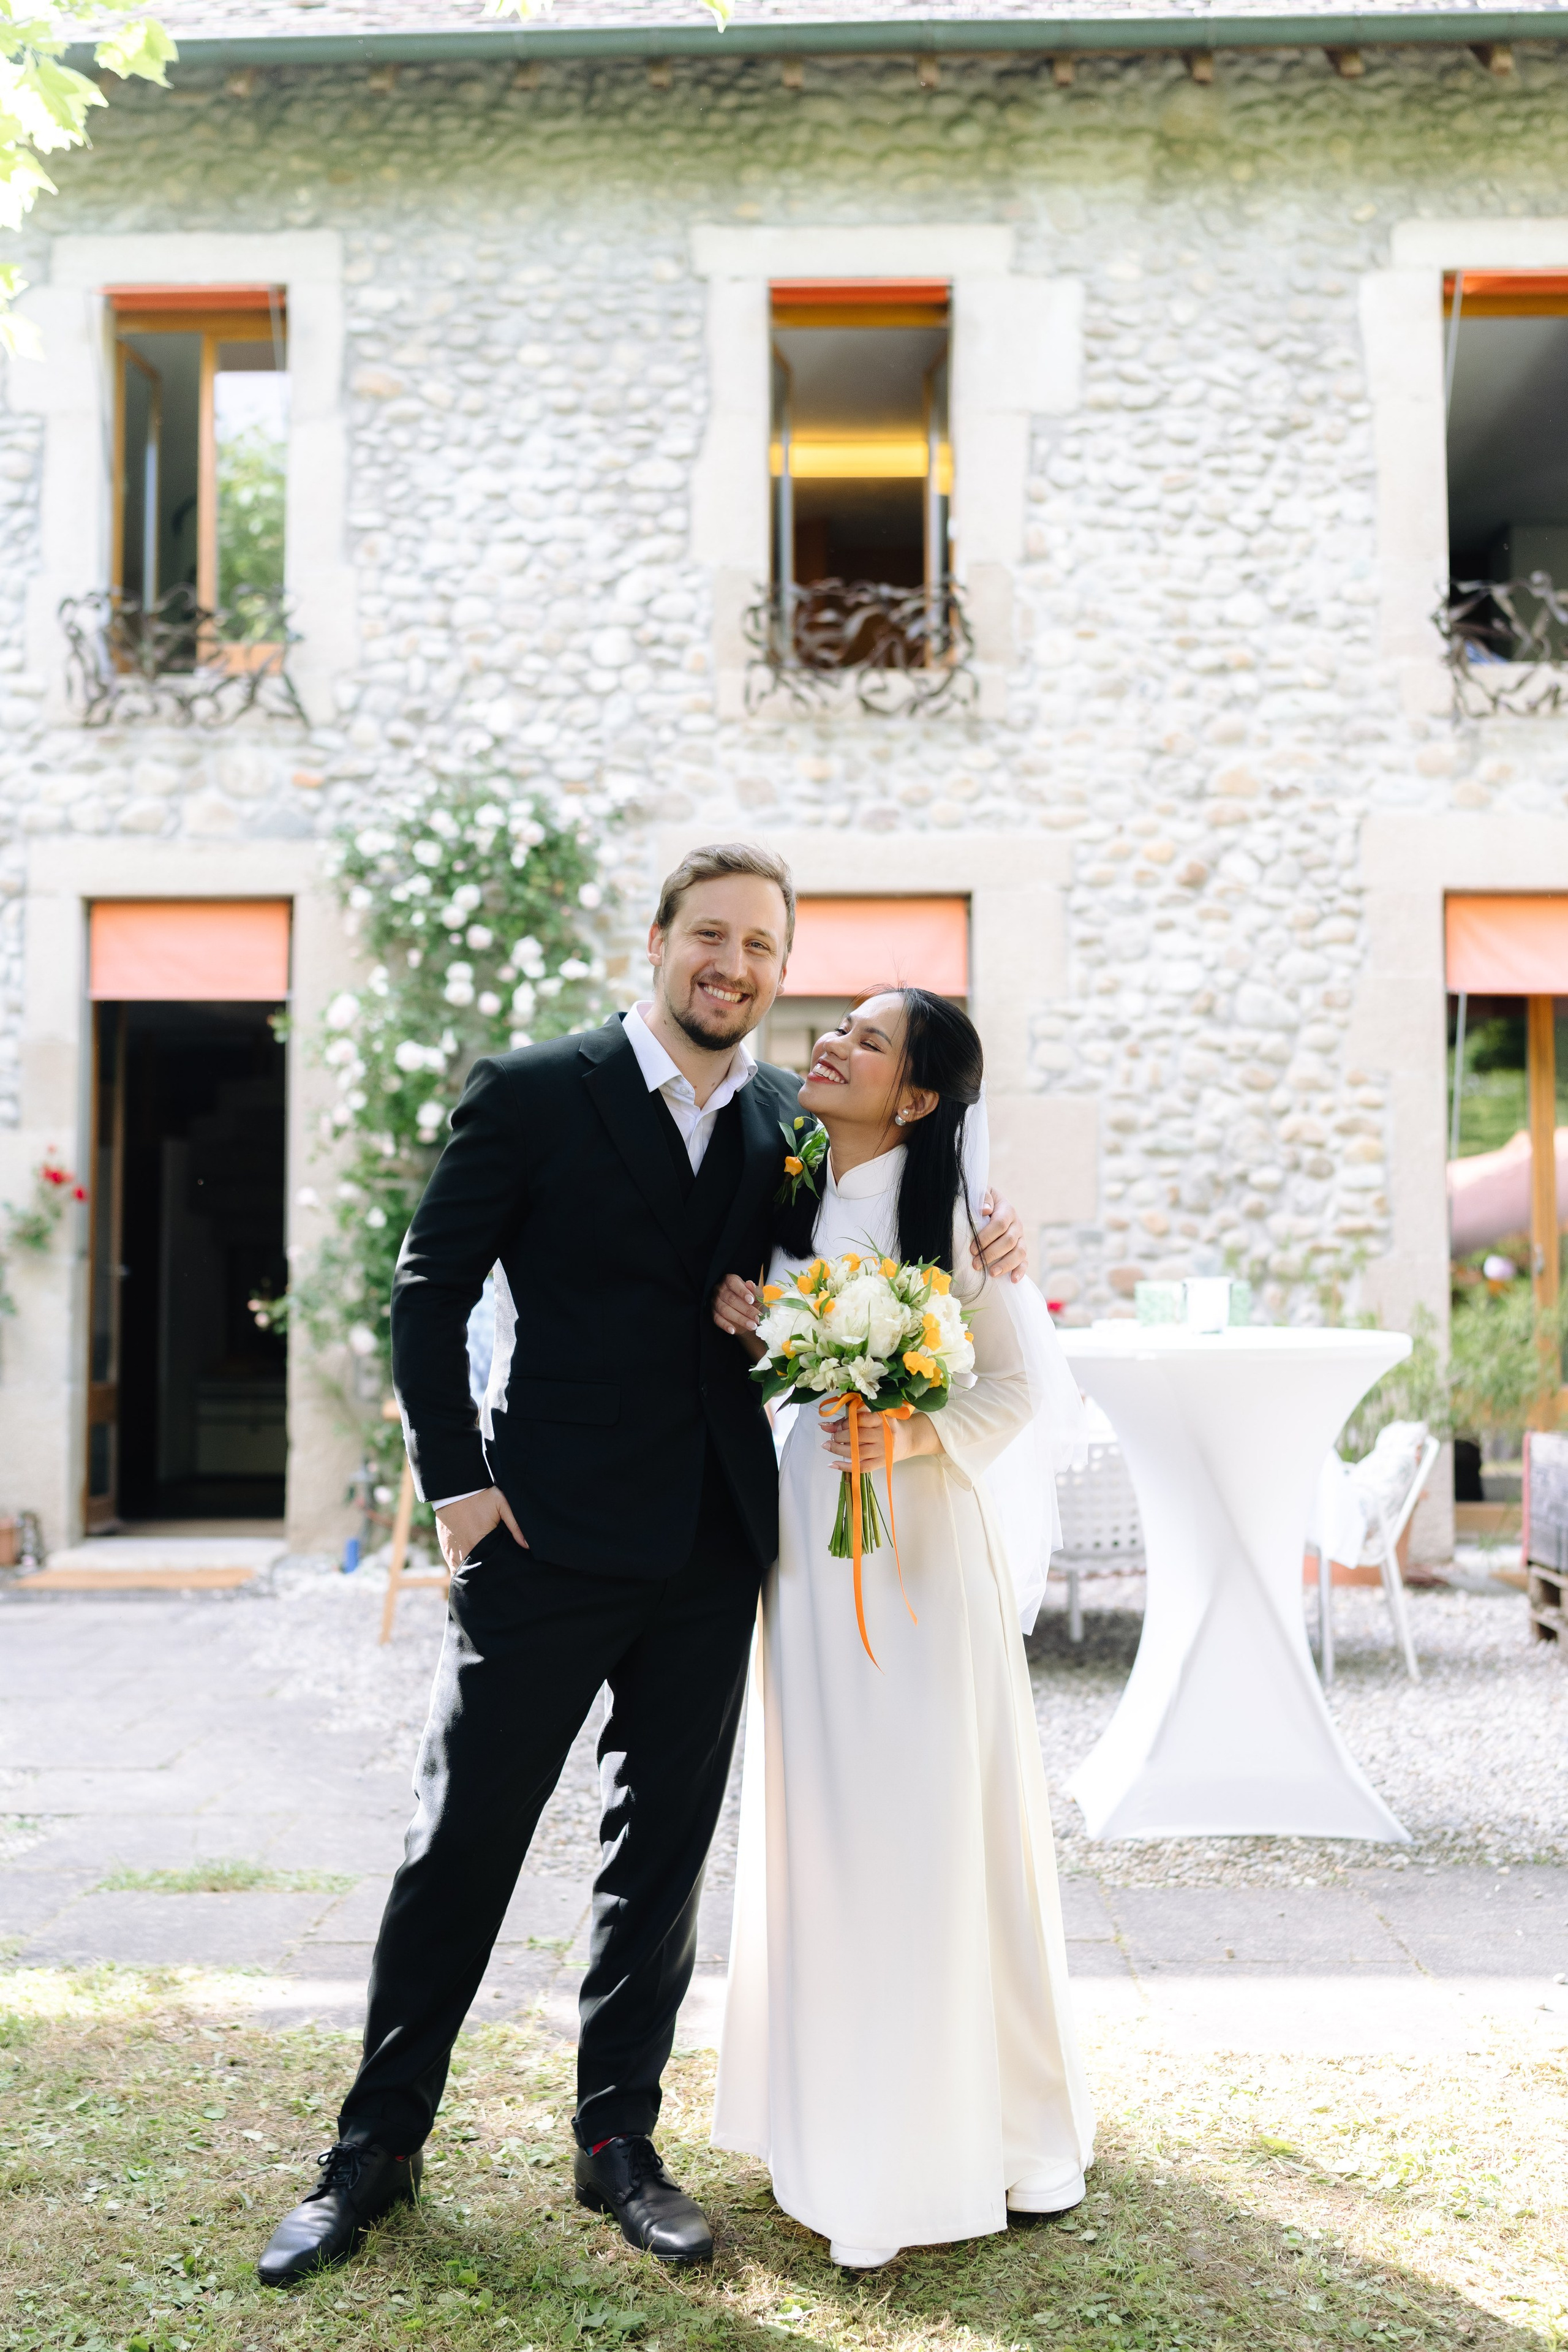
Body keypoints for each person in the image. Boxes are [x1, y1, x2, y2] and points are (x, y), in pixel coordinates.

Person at [257, 845, 1030, 2287]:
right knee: (460, 1847)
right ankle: (373, 2151)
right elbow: (429, 1289)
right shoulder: (535, 1090)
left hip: (711, 1553)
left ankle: (618, 2143)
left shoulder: (787, 1138)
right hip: (539, 1540)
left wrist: (993, 1239)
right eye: (710, 937)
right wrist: (458, 1487)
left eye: (760, 947)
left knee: (657, 1867)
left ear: (779, 974)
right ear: (660, 940)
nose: (731, 965)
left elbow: (867, 1245)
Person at [709, 989, 1095, 2270]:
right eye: (841, 1031)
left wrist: (911, 1427)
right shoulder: (785, 1184)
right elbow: (776, 1333)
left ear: (917, 1099)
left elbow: (1016, 1390)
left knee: (925, 1829)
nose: (830, 1044)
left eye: (866, 1042)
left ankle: (960, 2137)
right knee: (827, 1823)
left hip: (923, 1553)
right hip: (813, 1545)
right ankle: (827, 2119)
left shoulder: (956, 1225)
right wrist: (760, 1325)